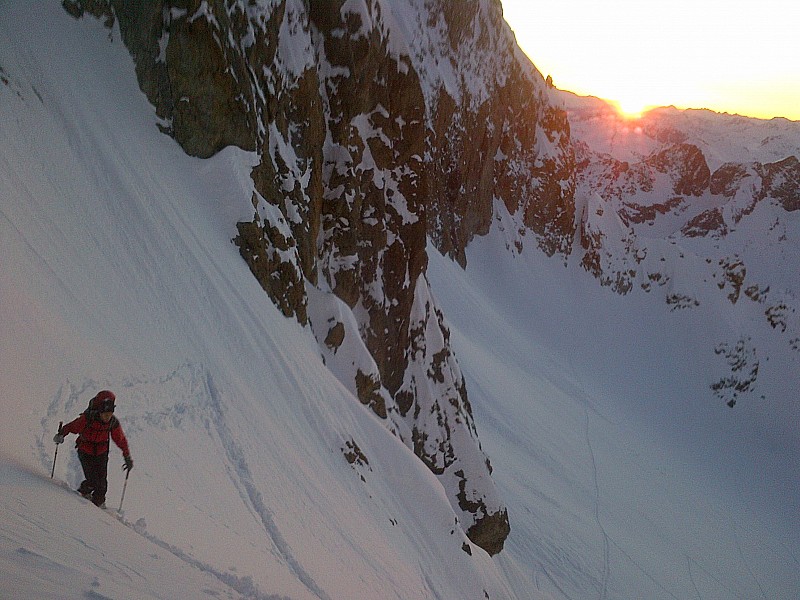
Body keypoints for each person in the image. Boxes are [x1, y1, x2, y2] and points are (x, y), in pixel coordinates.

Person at [53, 390, 133, 507]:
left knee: (102, 484)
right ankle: (84, 494)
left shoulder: (112, 423)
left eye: (110, 414)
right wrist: (61, 433)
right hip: (85, 451)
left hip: (102, 453)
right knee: (93, 480)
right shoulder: (88, 418)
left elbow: (120, 439)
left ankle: (98, 505)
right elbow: (73, 427)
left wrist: (127, 456)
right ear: (99, 412)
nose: (108, 417)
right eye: (105, 414)